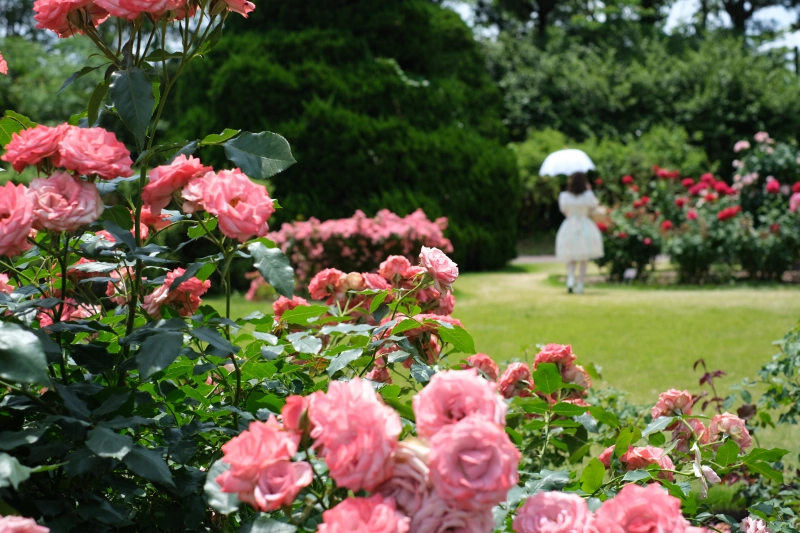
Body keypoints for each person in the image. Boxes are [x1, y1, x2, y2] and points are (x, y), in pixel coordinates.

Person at [555, 172, 604, 294]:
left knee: (571, 256)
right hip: (585, 225)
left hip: (569, 225)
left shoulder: (565, 196)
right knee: (583, 257)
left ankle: (570, 279)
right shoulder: (588, 195)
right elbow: (593, 208)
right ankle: (580, 285)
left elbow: (564, 212)